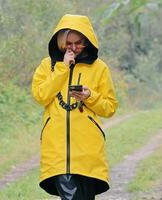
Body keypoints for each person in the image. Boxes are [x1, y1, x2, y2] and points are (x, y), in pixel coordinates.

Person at [31, 14, 118, 200]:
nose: (73, 48)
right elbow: (41, 96)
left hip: (88, 150)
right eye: (68, 43)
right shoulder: (47, 66)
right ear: (60, 42)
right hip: (57, 150)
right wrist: (62, 69)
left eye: (78, 43)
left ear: (87, 41)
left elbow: (109, 108)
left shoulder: (99, 68)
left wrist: (90, 96)